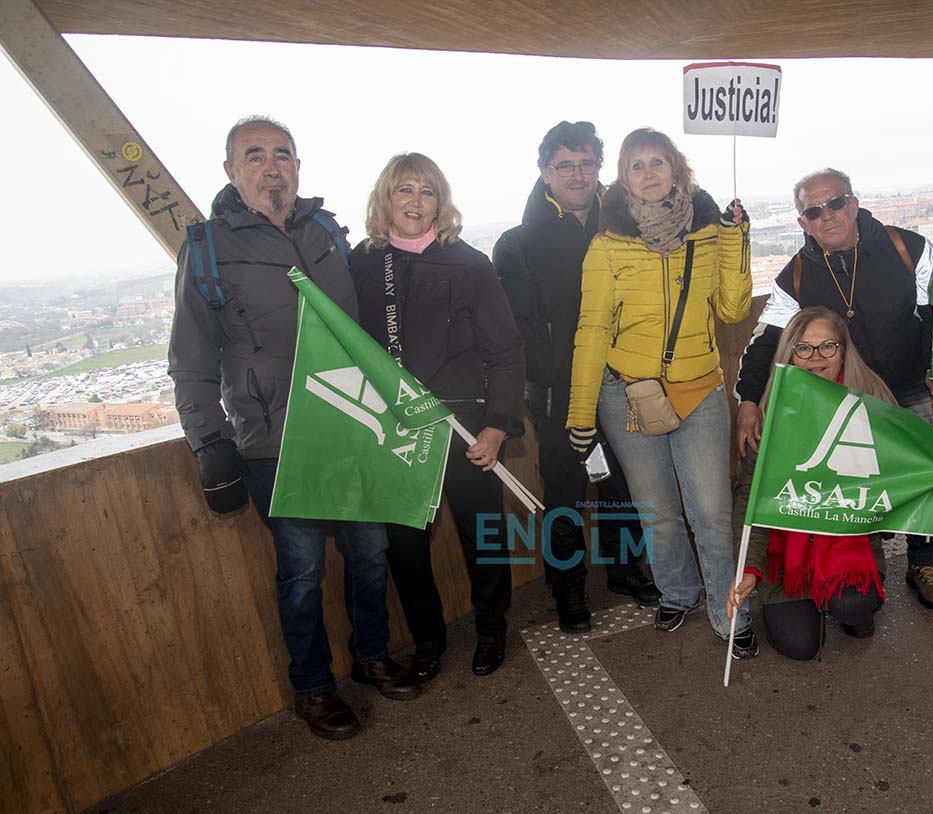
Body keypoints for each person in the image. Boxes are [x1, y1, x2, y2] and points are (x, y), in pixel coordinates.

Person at [168, 116, 418, 741]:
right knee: (302, 574)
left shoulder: (324, 231)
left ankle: (371, 656)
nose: (271, 166)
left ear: (298, 168)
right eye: (254, 156)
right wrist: (208, 442)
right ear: (231, 172)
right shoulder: (206, 247)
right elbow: (191, 359)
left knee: (369, 555)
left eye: (282, 154)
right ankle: (312, 688)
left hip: (350, 427)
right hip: (275, 441)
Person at [565, 127, 758, 658]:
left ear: (677, 169)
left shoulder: (710, 230)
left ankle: (730, 612)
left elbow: (734, 309)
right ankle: (678, 591)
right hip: (629, 395)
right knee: (656, 512)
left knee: (712, 512)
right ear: (623, 178)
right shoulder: (607, 244)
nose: (649, 173)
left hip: (700, 391)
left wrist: (737, 239)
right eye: (637, 165)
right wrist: (581, 414)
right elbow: (592, 331)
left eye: (658, 162)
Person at [735, 168, 933, 609]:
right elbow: (766, 341)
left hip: (907, 385)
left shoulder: (907, 248)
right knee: (854, 482)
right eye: (814, 211)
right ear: (802, 222)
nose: (828, 216)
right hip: (842, 397)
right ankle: (860, 567)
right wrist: (748, 401)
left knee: (924, 471)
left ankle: (923, 562)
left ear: (854, 204)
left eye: (835, 203)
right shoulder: (795, 275)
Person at [349, 152, 525, 678]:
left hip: (464, 427)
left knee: (482, 535)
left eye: (427, 191)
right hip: (395, 430)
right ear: (385, 199)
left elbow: (506, 351)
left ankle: (491, 629)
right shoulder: (362, 264)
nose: (415, 201)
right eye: (404, 189)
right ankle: (428, 640)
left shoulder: (469, 264)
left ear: (440, 203)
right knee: (404, 547)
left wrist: (497, 426)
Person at [727, 307, 933, 659]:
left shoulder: (872, 402)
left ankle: (849, 603)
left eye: (828, 346)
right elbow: (749, 500)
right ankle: (807, 600)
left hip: (849, 546)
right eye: (803, 348)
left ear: (843, 350)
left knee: (855, 607)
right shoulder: (770, 413)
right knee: (800, 648)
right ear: (789, 354)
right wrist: (748, 568)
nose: (816, 357)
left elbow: (907, 480)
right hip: (788, 554)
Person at [495, 121, 660, 634]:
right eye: (565, 165)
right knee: (566, 492)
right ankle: (566, 587)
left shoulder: (624, 226)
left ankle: (625, 568)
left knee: (624, 483)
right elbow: (519, 332)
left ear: (599, 168)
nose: (577, 174)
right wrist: (549, 389)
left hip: (624, 381)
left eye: (587, 163)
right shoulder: (518, 244)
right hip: (560, 392)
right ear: (545, 172)